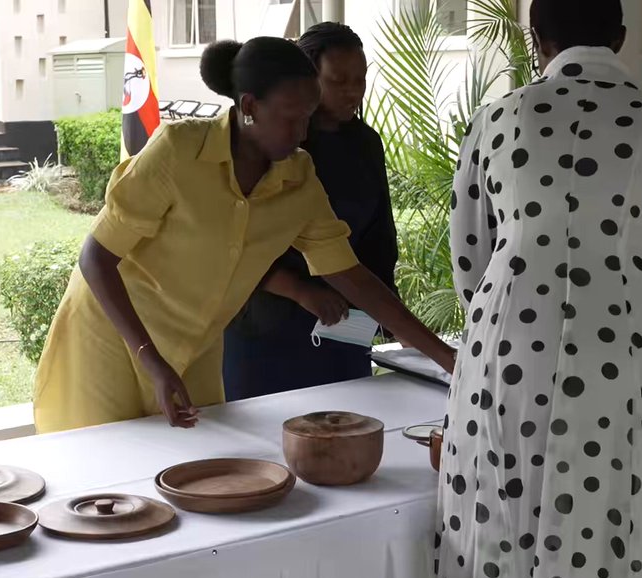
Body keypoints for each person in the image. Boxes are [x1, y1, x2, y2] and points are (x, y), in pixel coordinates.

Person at [431, 0, 642, 578]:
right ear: (620, 37)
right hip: (626, 347)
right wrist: (626, 326)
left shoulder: (496, 119)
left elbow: (469, 254)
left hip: (507, 345)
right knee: (613, 517)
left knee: (498, 515)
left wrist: (508, 319)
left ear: (537, 38)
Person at [32, 36, 456, 434]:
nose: (302, 133)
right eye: (291, 118)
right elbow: (96, 258)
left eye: (307, 117)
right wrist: (152, 360)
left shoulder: (299, 177)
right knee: (106, 469)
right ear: (250, 106)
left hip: (193, 350)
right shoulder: (178, 151)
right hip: (112, 339)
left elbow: (350, 274)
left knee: (192, 467)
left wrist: (447, 358)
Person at [222, 22, 402, 401]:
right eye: (339, 80)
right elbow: (231, 244)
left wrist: (389, 313)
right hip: (266, 326)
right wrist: (298, 290)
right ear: (307, 79)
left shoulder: (366, 144)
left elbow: (379, 238)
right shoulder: (270, 143)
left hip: (345, 325)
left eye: (361, 79)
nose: (354, 91)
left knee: (351, 422)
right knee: (266, 433)